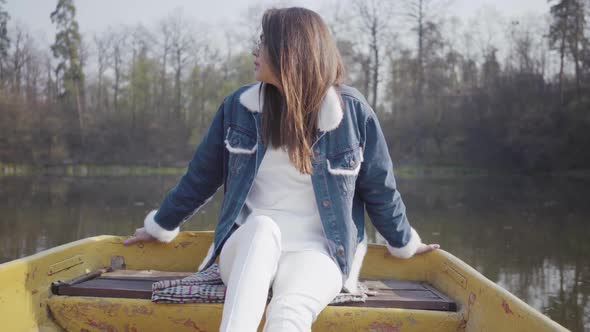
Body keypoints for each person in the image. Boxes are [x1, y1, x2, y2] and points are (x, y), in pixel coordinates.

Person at [123, 6, 439, 332]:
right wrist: (160, 225)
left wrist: (404, 242)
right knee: (262, 228)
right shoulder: (238, 109)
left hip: (321, 253)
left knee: (289, 312)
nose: (255, 50)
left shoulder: (353, 113)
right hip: (246, 249)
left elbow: (379, 188)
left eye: (264, 41)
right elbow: (200, 177)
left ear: (290, 51)